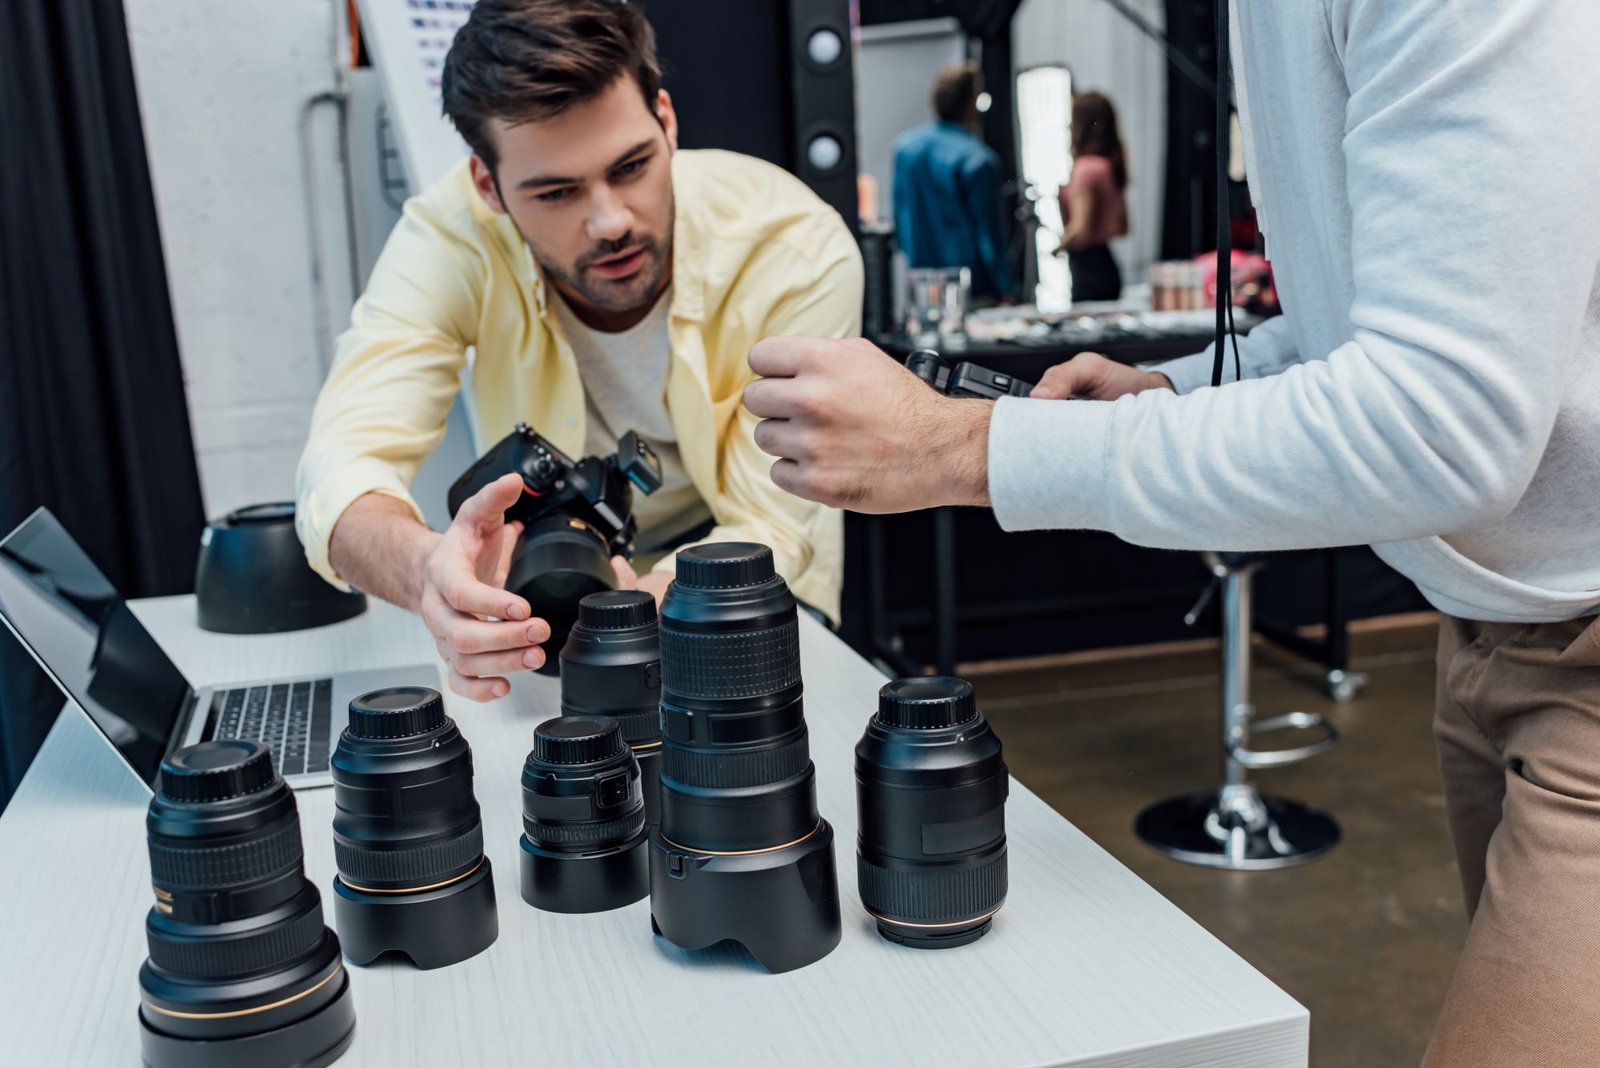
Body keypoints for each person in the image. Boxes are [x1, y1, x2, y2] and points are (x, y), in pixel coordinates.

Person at [742, 2, 1600, 1064]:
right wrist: (1174, 390)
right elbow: (1374, 326)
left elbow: (1443, 427)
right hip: (1486, 628)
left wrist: (962, 450)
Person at [295, 0, 860, 701]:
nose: (610, 221)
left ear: (666, 117)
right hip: (548, 604)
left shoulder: (795, 248)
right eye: (557, 192)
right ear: (486, 186)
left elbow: (774, 523)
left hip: (737, 598)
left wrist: (631, 608)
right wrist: (426, 574)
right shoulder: (450, 236)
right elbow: (341, 464)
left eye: (630, 167)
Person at [891, 63, 1012, 302]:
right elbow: (989, 235)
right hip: (971, 291)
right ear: (971, 104)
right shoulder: (978, 160)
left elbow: (900, 220)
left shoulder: (905, 149)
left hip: (923, 288)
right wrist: (1006, 288)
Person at [1054, 91, 1128, 302]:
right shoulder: (1107, 166)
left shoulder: (1085, 169)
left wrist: (1057, 246)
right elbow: (1122, 226)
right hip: (1105, 266)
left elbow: (1081, 231)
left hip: (1089, 270)